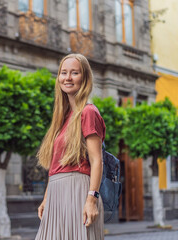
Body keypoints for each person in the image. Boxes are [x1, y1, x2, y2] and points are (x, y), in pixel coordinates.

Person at [35, 53, 105, 240]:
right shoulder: (62, 117)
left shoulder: (88, 112)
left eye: (74, 73)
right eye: (63, 73)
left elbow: (97, 160)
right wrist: (46, 198)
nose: (67, 78)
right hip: (56, 194)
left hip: (78, 191)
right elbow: (55, 165)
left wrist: (92, 199)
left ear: (85, 78)